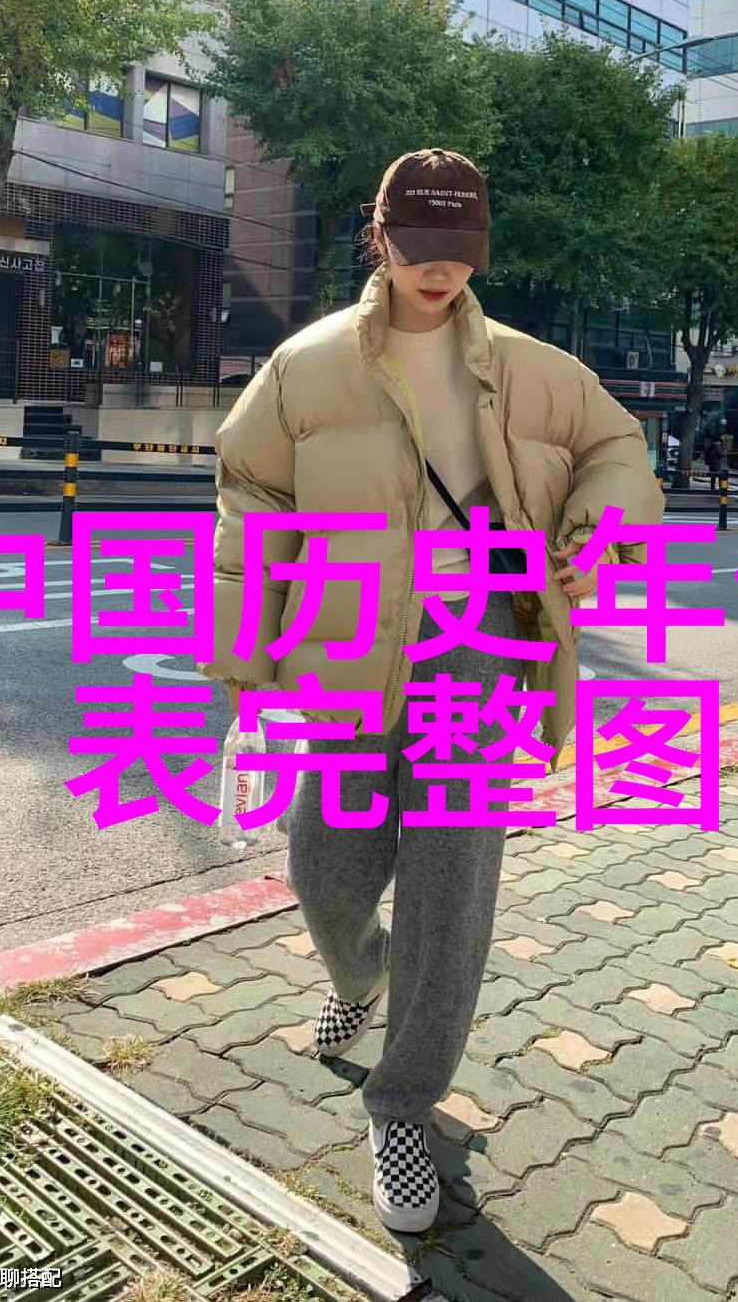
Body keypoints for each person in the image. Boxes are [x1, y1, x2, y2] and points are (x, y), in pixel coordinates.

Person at [197, 149, 664, 1234]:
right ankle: (361, 975)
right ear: (382, 237)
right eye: (420, 246)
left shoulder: (536, 368)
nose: (440, 269)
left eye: (460, 249)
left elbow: (617, 446)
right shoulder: (307, 366)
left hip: (482, 652)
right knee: (324, 870)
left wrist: (601, 523)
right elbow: (250, 499)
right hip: (350, 650)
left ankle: (402, 1105)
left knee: (451, 898)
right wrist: (247, 667)